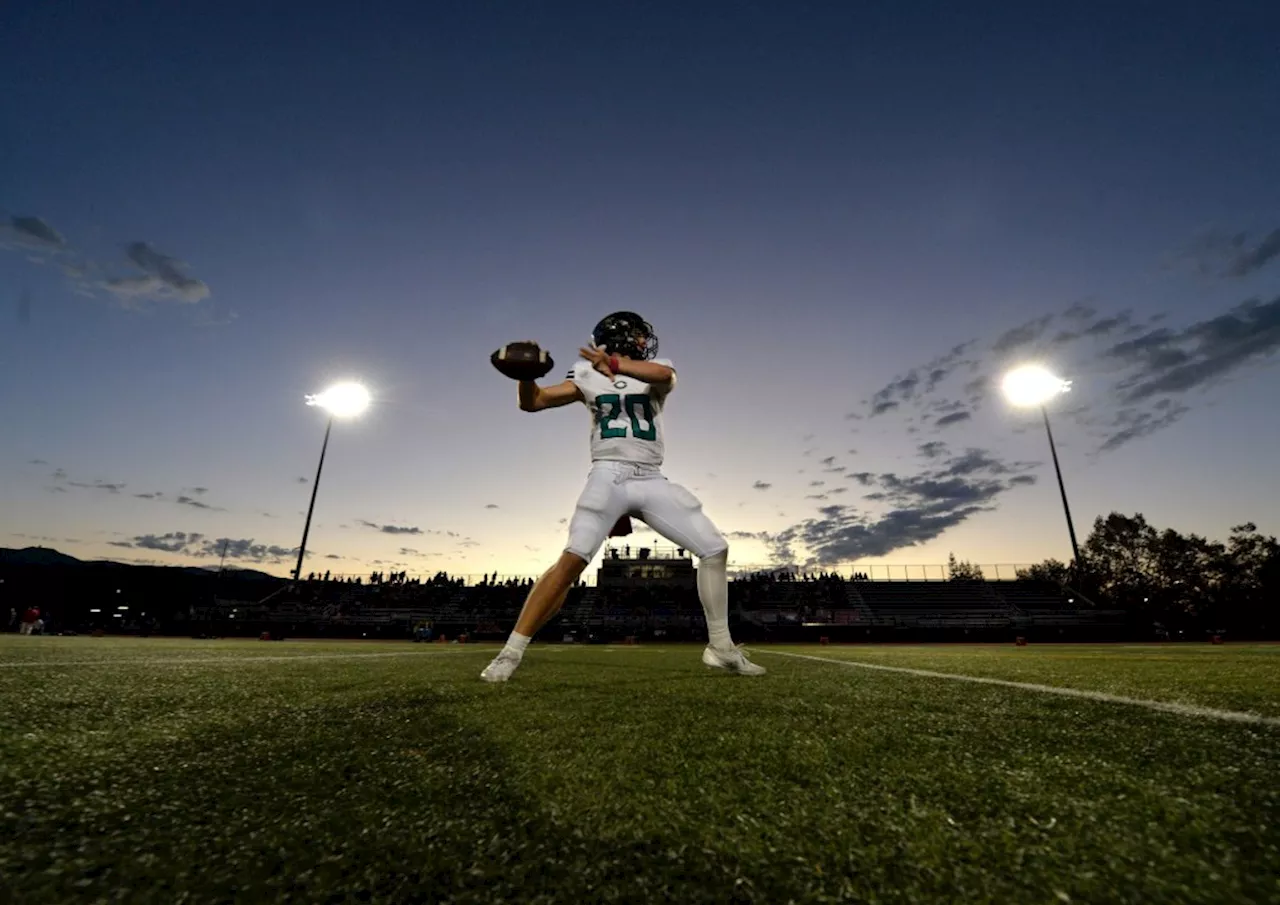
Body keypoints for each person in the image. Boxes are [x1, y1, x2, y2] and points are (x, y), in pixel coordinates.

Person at [481, 311, 765, 682]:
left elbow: (665, 377)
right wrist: (527, 377)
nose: (646, 342)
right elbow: (534, 402)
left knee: (714, 548)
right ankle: (510, 653)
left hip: (651, 478)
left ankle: (721, 648)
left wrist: (615, 364)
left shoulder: (654, 368)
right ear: (622, 337)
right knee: (571, 561)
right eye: (638, 335)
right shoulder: (583, 374)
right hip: (608, 474)